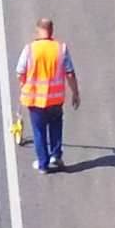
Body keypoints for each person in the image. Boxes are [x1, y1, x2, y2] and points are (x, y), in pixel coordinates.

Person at [14, 17, 80, 173]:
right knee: (56, 126)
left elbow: (19, 71)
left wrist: (25, 84)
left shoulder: (30, 49)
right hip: (55, 99)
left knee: (39, 131)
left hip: (35, 99)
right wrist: (75, 93)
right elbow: (70, 74)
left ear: (38, 29)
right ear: (52, 31)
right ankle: (56, 155)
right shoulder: (61, 49)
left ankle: (43, 164)